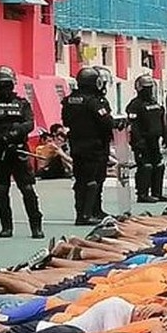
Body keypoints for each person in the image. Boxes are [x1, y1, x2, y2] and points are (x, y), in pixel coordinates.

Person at [0, 66, 43, 239]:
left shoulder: (22, 103)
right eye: (1, 85)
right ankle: (6, 227)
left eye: (7, 85)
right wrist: (1, 137)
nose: (4, 88)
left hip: (18, 149)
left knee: (27, 189)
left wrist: (14, 132)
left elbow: (29, 123)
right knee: (2, 190)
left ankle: (36, 226)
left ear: (13, 84)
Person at [61, 66, 113, 226]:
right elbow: (106, 121)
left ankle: (93, 210)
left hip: (77, 144)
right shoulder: (93, 102)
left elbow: (66, 121)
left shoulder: (70, 100)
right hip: (94, 145)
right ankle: (86, 214)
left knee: (83, 180)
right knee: (92, 180)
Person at [125, 74, 167, 204]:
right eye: (146, 88)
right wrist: (138, 141)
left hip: (155, 140)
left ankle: (157, 192)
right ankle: (142, 194)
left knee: (159, 166)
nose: (149, 90)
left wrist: (165, 136)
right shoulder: (135, 105)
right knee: (145, 167)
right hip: (142, 141)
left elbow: (161, 120)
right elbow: (133, 125)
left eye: (150, 87)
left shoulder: (155, 103)